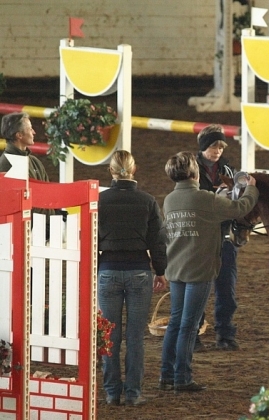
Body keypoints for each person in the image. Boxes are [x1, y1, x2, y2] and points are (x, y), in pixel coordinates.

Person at [159, 151, 258, 394]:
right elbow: (240, 207)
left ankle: (166, 375)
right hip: (199, 269)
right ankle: (182, 377)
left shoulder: (169, 200)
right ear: (194, 173)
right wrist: (252, 189)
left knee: (175, 323)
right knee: (189, 326)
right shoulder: (205, 199)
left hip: (176, 268)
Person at [97, 150, 168, 407]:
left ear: (111, 171)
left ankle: (112, 392)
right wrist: (160, 271)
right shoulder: (147, 201)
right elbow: (158, 241)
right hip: (139, 270)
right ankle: (134, 393)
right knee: (136, 337)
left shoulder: (99, 200)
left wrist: (96, 267)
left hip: (108, 271)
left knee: (109, 336)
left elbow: (91, 239)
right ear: (134, 170)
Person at [195, 124, 240, 351]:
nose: (218, 151)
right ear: (204, 147)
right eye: (214, 146)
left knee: (226, 288)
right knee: (198, 287)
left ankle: (225, 334)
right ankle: (194, 333)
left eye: (221, 147)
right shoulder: (189, 168)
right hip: (200, 237)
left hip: (223, 235)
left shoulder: (228, 169)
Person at [0, 112, 55, 223]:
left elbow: (48, 194)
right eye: (30, 129)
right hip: (25, 230)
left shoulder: (34, 161)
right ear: (19, 135)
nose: (34, 132)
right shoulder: (6, 164)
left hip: (45, 227)